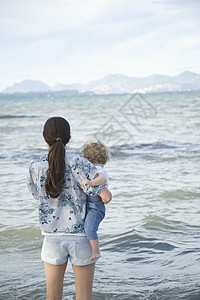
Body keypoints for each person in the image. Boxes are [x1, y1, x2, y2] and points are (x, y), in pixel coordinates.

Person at [27, 117, 112, 300]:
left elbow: (36, 196)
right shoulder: (79, 163)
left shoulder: (35, 167)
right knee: (83, 296)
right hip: (82, 238)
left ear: (44, 138)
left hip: (52, 238)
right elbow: (103, 195)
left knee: (53, 297)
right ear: (69, 137)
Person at [81, 141, 110, 261]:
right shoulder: (94, 168)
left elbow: (102, 178)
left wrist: (92, 183)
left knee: (90, 228)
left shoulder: (98, 169)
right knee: (87, 228)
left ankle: (96, 251)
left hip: (95, 206)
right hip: (90, 205)